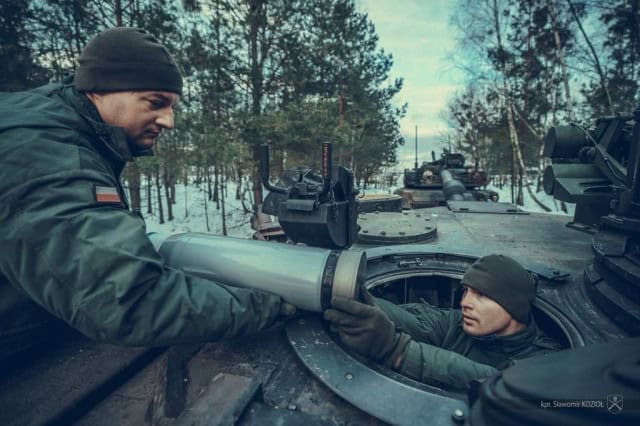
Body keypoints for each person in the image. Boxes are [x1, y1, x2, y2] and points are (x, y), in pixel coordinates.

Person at [0, 27, 293, 361]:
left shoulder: (58, 122)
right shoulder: (43, 153)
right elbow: (128, 300)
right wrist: (272, 305)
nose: (168, 121)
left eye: (172, 106)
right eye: (156, 103)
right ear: (101, 88)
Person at [324, 254, 562, 390]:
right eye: (466, 291)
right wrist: (339, 296)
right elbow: (411, 321)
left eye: (482, 295)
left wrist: (397, 351)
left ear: (512, 304)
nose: (466, 303)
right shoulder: (456, 324)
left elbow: (501, 384)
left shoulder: (547, 358)